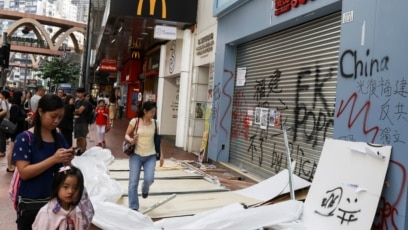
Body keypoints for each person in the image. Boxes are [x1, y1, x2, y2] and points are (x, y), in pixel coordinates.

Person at [12, 94, 75, 230]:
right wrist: (54, 159)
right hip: (31, 205)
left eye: (60, 117)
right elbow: (24, 173)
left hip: (55, 205)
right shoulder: (24, 138)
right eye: (53, 116)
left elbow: (64, 171)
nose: (57, 121)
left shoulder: (59, 137)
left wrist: (68, 161)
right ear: (40, 112)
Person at [124, 101, 163, 211]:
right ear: (145, 111)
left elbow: (158, 141)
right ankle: (133, 207)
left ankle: (145, 189)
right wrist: (131, 140)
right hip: (136, 155)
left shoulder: (156, 123)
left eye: (154, 112)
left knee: (149, 179)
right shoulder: (135, 121)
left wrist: (162, 155)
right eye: (151, 112)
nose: (153, 114)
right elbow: (126, 134)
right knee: (133, 183)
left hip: (150, 156)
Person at [32, 165, 85, 230]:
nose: (71, 191)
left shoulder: (76, 211)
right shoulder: (46, 213)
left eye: (75, 188)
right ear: (57, 187)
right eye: (65, 187)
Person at [6, 91, 28, 173]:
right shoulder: (15, 106)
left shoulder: (20, 106)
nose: (23, 97)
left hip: (20, 130)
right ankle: (9, 166)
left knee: (15, 148)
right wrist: (24, 119)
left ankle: (13, 165)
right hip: (16, 130)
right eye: (22, 96)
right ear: (19, 97)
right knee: (12, 148)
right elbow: (14, 119)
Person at [73, 88, 89, 154]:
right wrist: (75, 111)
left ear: (83, 93)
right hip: (77, 121)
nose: (78, 94)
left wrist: (74, 111)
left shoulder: (85, 101)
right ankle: (79, 150)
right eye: (77, 93)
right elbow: (75, 110)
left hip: (83, 122)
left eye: (79, 93)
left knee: (82, 137)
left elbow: (80, 111)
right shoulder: (77, 101)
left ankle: (84, 151)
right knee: (78, 137)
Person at [0, 90, 10, 157]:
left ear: (3, 95)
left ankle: (2, 151)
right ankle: (2, 151)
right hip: (4, 120)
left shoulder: (3, 102)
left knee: (2, 136)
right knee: (2, 135)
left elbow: (5, 111)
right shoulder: (6, 102)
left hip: (1, 120)